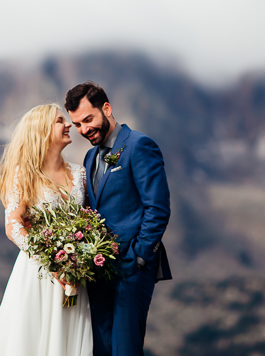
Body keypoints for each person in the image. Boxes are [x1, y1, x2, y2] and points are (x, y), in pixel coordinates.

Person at [66, 82, 172, 356]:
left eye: (88, 119)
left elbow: (157, 207)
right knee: (100, 349)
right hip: (99, 272)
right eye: (77, 124)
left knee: (125, 349)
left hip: (132, 268)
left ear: (107, 108)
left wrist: (139, 256)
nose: (84, 129)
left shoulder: (139, 146)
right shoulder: (90, 157)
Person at [0, 104, 93, 356]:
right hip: (39, 273)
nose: (68, 125)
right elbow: (13, 226)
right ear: (42, 131)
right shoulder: (24, 174)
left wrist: (80, 258)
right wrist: (51, 262)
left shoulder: (80, 175)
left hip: (76, 275)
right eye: (59, 121)